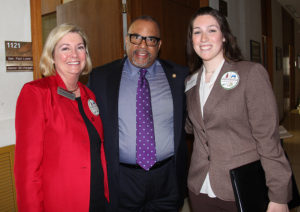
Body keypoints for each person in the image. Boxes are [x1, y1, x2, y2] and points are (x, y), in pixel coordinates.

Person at [185, 7, 292, 212]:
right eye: (197, 32)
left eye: (212, 30)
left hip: (239, 188)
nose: (204, 37)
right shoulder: (190, 82)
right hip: (199, 187)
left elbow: (268, 139)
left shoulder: (250, 73)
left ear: (224, 36)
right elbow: (193, 127)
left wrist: (279, 196)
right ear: (192, 39)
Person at [88, 16, 189, 212]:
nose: (143, 45)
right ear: (126, 40)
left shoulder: (180, 76)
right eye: (136, 37)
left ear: (159, 45)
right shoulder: (101, 77)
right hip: (122, 178)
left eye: (151, 39)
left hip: (167, 177)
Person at [14, 23, 109, 212]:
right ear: (52, 56)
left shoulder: (89, 95)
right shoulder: (36, 93)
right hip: (62, 202)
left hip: (98, 198)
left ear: (86, 55)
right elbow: (27, 172)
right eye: (65, 48)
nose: (74, 54)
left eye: (80, 47)